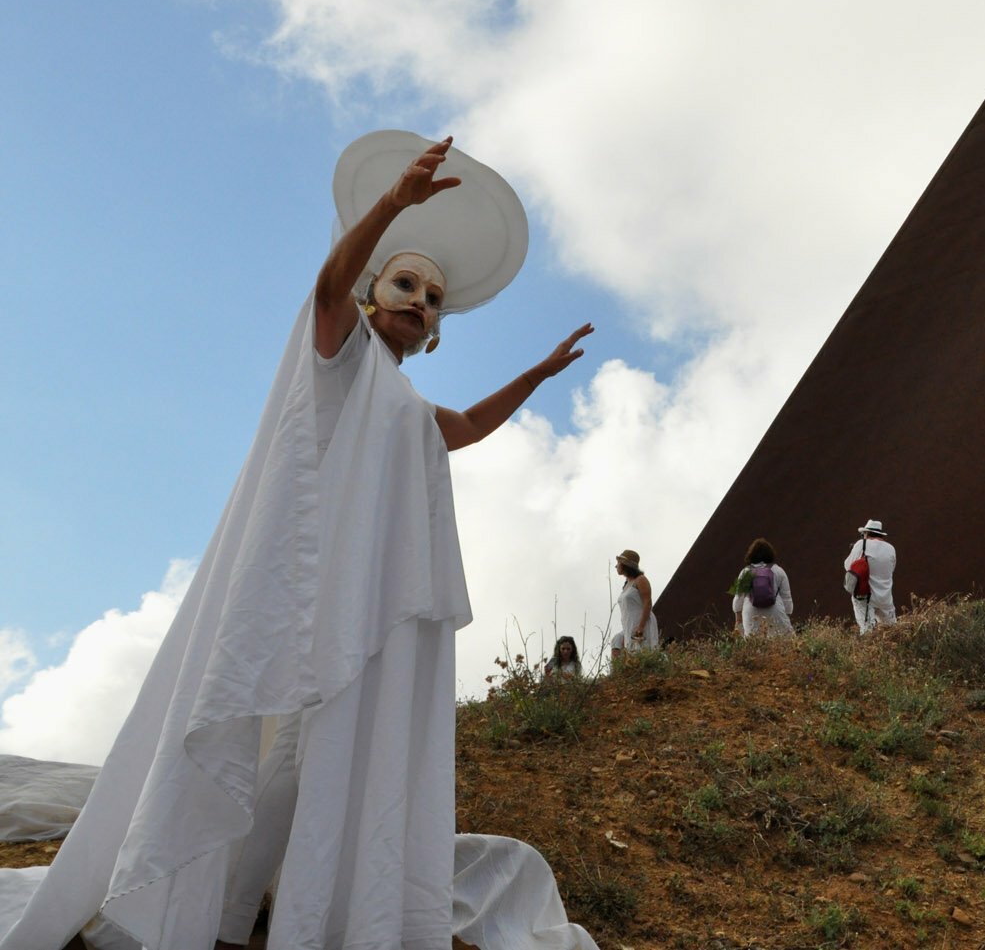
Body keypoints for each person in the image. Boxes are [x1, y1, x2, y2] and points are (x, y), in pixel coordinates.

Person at [0, 132, 597, 950]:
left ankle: (259, 912)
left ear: (434, 330)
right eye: (405, 282)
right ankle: (211, 911)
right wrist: (391, 206)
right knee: (270, 750)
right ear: (370, 292)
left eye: (432, 297)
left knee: (307, 767)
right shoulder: (337, 353)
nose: (420, 300)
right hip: (306, 594)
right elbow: (324, 288)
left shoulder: (406, 408)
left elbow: (463, 427)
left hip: (362, 606)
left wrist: (537, 376)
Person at [732, 538, 794, 637]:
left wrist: (738, 620)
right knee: (783, 644)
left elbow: (738, 598)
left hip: (751, 613)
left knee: (754, 646)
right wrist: (786, 618)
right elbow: (787, 598)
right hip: (775, 612)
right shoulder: (778, 571)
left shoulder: (745, 572)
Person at [843, 519, 897, 634]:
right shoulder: (891, 548)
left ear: (866, 533)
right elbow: (891, 569)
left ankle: (868, 651)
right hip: (885, 597)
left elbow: (848, 566)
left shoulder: (861, 544)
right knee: (891, 631)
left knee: (867, 631)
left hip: (865, 596)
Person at [610, 550, 659, 660]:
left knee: (644, 653)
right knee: (632, 654)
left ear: (625, 565)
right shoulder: (627, 584)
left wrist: (641, 626)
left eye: (618, 563)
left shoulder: (640, 580)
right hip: (630, 625)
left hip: (641, 623)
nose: (616, 566)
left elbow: (648, 603)